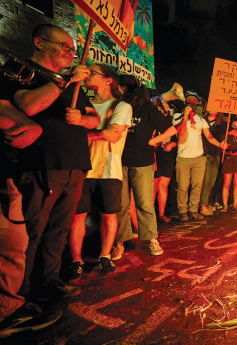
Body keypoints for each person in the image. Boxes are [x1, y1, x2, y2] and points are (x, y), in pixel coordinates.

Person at [9, 25, 99, 301]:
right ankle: (20, 292)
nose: (71, 53)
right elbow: (28, 106)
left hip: (73, 165)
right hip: (42, 163)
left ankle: (48, 280)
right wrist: (65, 81)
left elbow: (94, 118)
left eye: (73, 49)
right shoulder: (21, 71)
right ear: (39, 42)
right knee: (32, 230)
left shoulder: (68, 81)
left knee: (59, 228)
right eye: (65, 47)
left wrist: (81, 120)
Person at [0, 100, 62, 337]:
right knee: (12, 243)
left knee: (15, 241)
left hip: (7, 172)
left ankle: (8, 308)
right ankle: (8, 311)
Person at [68, 64, 132, 280]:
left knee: (108, 214)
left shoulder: (121, 107)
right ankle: (76, 260)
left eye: (92, 72)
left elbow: (113, 134)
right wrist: (100, 133)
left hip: (108, 169)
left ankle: (105, 255)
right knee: (77, 216)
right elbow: (101, 133)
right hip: (81, 168)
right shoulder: (81, 104)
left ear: (108, 80)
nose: (87, 74)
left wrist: (82, 134)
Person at [110, 75, 175, 262]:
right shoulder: (117, 107)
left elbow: (171, 130)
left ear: (126, 89)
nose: (117, 90)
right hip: (119, 161)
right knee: (121, 204)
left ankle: (152, 238)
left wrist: (153, 141)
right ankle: (121, 241)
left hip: (143, 161)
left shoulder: (147, 108)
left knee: (144, 202)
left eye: (119, 87)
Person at [173, 96, 237, 220]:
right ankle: (183, 211)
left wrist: (220, 144)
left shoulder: (202, 120)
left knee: (199, 185)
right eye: (189, 101)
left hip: (201, 157)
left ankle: (195, 209)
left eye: (195, 102)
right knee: (183, 186)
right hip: (185, 156)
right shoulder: (177, 117)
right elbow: (179, 132)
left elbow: (209, 137)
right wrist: (185, 116)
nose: (192, 103)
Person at [152, 99, 176, 223]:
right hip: (156, 156)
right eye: (165, 104)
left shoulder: (171, 119)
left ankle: (161, 214)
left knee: (163, 186)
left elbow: (176, 137)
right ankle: (150, 216)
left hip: (167, 157)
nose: (167, 106)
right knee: (153, 188)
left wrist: (172, 143)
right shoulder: (153, 118)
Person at [199, 110, 226, 216]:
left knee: (212, 181)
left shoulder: (222, 124)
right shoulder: (202, 120)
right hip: (204, 153)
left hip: (216, 154)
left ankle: (206, 203)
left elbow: (229, 134)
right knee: (205, 180)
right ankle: (202, 205)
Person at [220, 116, 237, 211]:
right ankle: (225, 205)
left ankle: (235, 204)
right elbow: (222, 150)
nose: (236, 127)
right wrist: (229, 152)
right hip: (229, 161)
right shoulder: (227, 135)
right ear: (230, 125)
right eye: (234, 125)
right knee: (226, 183)